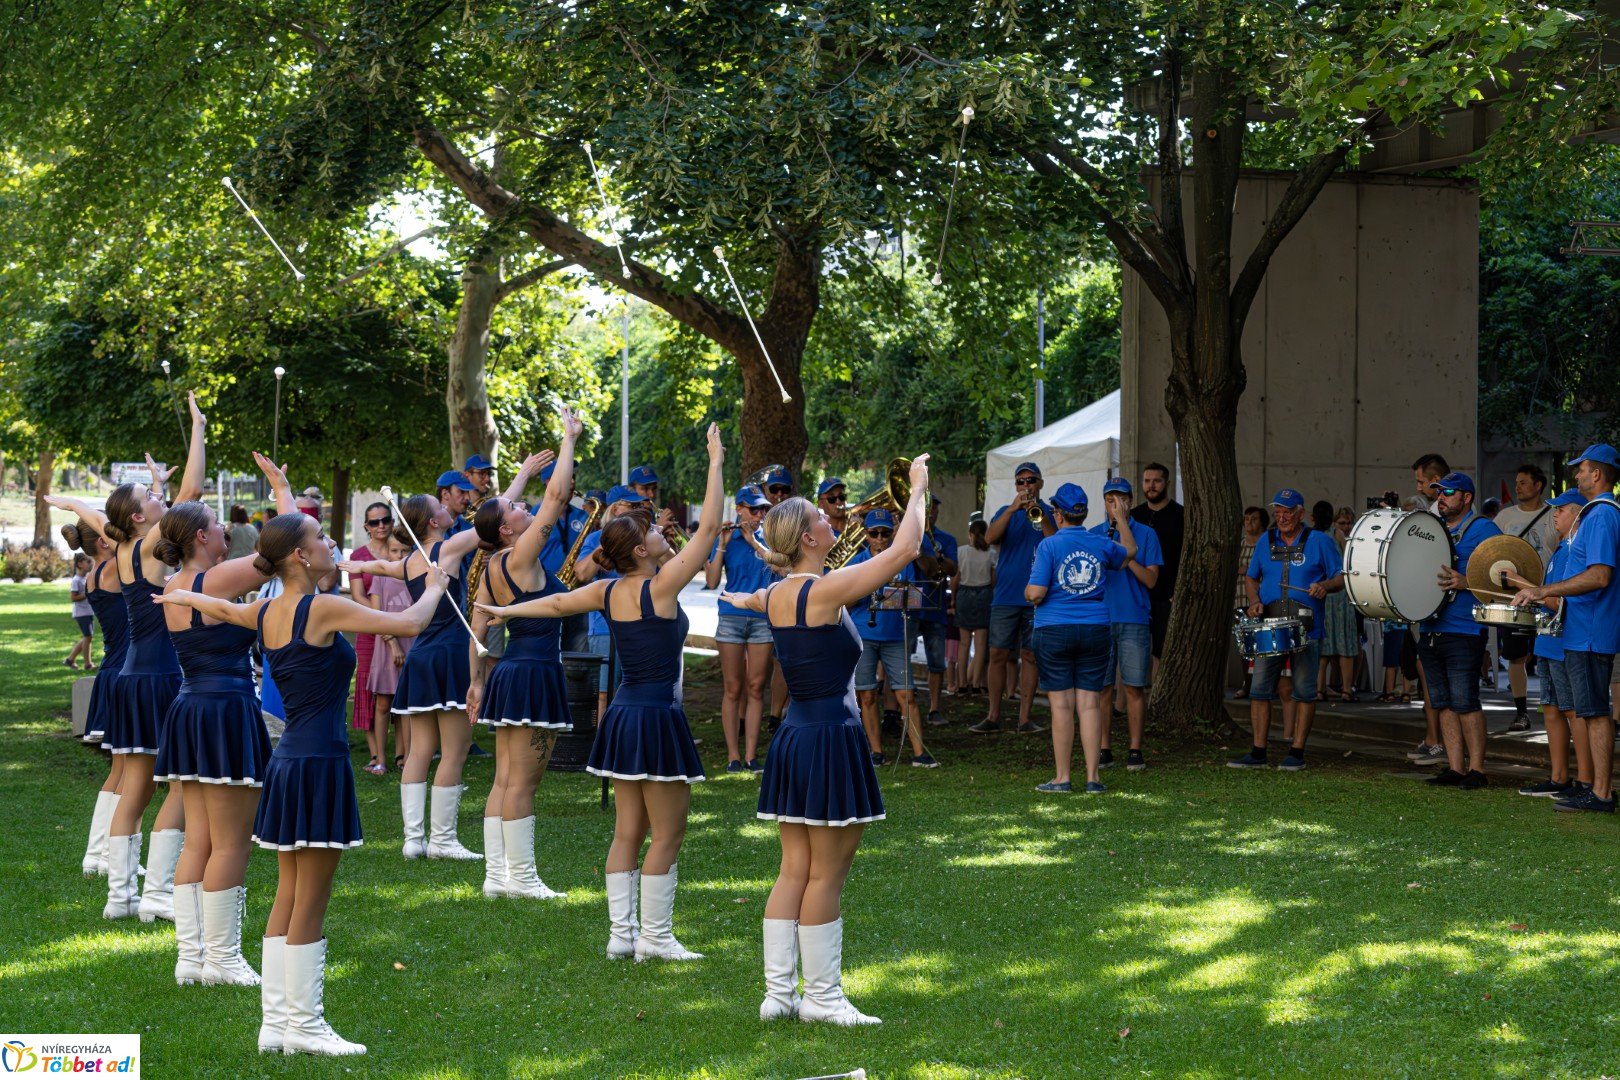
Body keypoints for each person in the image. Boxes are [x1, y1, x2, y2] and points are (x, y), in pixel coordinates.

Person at [156, 513, 451, 1056]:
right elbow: (409, 624)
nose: (329, 542)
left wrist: (189, 601)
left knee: (288, 895)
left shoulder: (267, 610)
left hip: (289, 762)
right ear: (300, 556)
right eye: (320, 538)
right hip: (318, 763)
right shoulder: (322, 608)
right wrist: (434, 586)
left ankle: (277, 1024)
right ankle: (305, 1025)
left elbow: (228, 610)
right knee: (309, 900)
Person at [478, 424, 726, 963]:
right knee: (667, 833)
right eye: (653, 530)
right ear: (640, 549)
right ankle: (655, 939)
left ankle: (622, 935)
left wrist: (504, 611)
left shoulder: (606, 590)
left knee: (627, 831)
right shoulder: (659, 585)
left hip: (622, 717)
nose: (663, 531)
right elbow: (708, 529)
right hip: (656, 715)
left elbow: (553, 606)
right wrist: (714, 462)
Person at [720, 455, 931, 1027]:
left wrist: (746, 591)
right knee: (824, 875)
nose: (830, 517)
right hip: (829, 738)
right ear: (812, 535)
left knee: (794, 870)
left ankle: (779, 995)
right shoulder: (822, 590)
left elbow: (753, 597)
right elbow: (905, 550)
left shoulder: (778, 593)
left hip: (795, 738)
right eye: (822, 513)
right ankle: (823, 998)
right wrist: (915, 491)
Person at [48, 392, 207, 922]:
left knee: (135, 787)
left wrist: (74, 506)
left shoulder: (121, 547)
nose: (162, 502)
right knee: (176, 784)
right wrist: (198, 428)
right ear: (141, 517)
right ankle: (154, 893)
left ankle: (123, 896)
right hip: (158, 672)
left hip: (137, 670)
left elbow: (104, 515)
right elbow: (191, 491)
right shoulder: (143, 543)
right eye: (151, 498)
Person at [151, 453, 291, 987]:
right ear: (204, 539)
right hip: (224, 709)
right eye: (214, 526)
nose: (222, 531)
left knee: (201, 841)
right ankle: (222, 960)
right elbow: (278, 550)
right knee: (230, 842)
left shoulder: (182, 582)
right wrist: (280, 490)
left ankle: (194, 958)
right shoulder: (208, 580)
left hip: (191, 711)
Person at [464, 408, 583, 901]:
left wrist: (475, 681)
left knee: (503, 779)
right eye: (513, 510)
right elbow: (556, 497)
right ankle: (524, 879)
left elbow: (477, 624)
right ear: (509, 530)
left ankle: (497, 877)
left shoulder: (492, 563)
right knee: (523, 784)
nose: (523, 508)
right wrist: (569, 438)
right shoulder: (519, 556)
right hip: (532, 671)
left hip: (510, 671)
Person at [361, 493, 487, 859]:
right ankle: (443, 841)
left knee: (419, 750)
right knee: (456, 749)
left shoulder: (411, 560)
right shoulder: (446, 550)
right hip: (448, 655)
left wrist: (356, 567)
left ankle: (413, 840)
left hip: (420, 657)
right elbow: (490, 522)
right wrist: (522, 477)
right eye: (441, 507)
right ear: (433, 522)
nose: (449, 509)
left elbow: (384, 568)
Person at [1513, 444, 1620, 812]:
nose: (1576, 475)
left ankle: (1601, 792)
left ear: (1597, 474)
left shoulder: (1602, 515)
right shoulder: (1595, 515)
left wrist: (1544, 590)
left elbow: (1600, 575)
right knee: (1589, 713)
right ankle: (1596, 788)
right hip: (1582, 632)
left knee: (1594, 713)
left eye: (1581, 469)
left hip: (1591, 632)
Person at [1027, 484, 1135, 794]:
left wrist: (1028, 591)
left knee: (1061, 705)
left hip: (1054, 630)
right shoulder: (1100, 543)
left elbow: (1036, 593)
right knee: (1089, 704)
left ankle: (1062, 778)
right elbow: (1129, 554)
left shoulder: (1048, 546)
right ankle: (1093, 778)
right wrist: (1121, 519)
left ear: (1057, 515)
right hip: (1095, 629)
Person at [1230, 487, 1345, 772]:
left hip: (1307, 627)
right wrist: (1255, 602)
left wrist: (1324, 586)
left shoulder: (1319, 541)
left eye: (1287, 512)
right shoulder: (1265, 541)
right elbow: (1252, 579)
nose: (1281, 517)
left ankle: (1297, 751)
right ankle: (1258, 751)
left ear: (1300, 513)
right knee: (1259, 690)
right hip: (1270, 625)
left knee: (1304, 692)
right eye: (1278, 512)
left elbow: (1341, 577)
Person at [1417, 471, 1502, 789]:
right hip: (1429, 627)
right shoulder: (1430, 528)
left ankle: (1477, 770)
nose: (1441, 497)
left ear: (1467, 497)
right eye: (1438, 492)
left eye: (1448, 492)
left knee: (1465, 701)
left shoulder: (1483, 529)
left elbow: (1504, 577)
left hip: (1465, 629)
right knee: (1442, 703)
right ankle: (1455, 768)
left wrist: (1466, 582)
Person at [846, 508, 935, 767]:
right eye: (874, 533)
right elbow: (844, 601)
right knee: (867, 695)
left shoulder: (902, 562)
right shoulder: (857, 561)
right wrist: (865, 589)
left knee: (907, 694)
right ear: (866, 535)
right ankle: (876, 751)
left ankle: (919, 752)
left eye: (885, 533)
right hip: (863, 635)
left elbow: (914, 597)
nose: (880, 538)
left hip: (896, 635)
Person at [970, 461, 1054, 735]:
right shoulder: (1005, 513)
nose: (1026, 486)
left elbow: (1054, 541)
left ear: (1040, 483)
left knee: (1030, 656)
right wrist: (1012, 509)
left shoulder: (1050, 513)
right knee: (997, 653)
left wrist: (1038, 514)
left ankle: (1024, 718)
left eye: (1031, 480)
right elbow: (991, 538)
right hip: (1006, 596)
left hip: (1038, 596)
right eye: (1021, 481)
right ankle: (993, 715)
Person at [1517, 490, 1589, 799]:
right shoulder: (1561, 549)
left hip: (1564, 643)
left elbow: (1558, 600)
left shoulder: (1577, 550)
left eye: (1561, 509)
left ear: (1577, 514)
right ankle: (1559, 777)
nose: (1555, 514)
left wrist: (1522, 584)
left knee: (1573, 711)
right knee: (1551, 709)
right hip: (1547, 642)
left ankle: (1585, 781)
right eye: (1554, 509)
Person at [65, 523, 127, 877]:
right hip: (122, 672)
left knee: (120, 771)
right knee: (130, 776)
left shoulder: (96, 572)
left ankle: (98, 854)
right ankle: (109, 857)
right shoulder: (114, 567)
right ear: (104, 541)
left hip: (112, 669)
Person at [704, 485, 775, 772]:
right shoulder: (726, 537)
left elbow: (781, 568)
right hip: (731, 617)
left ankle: (751, 755)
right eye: (754, 509)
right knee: (733, 688)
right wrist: (721, 542)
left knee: (756, 687)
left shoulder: (768, 539)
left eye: (763, 510)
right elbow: (710, 581)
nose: (759, 515)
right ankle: (733, 756)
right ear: (740, 509)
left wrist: (754, 541)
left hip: (761, 618)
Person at [1091, 478, 1160, 772]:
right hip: (1101, 619)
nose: (1115, 505)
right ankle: (1104, 748)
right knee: (1103, 688)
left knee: (1134, 687)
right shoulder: (1094, 534)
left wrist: (1125, 550)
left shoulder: (1146, 535)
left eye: (1120, 499)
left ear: (1130, 502)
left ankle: (1135, 749)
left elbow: (1151, 580)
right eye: (1110, 500)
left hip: (1134, 618)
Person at [572, 485, 652, 719]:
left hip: (639, 626)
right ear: (616, 509)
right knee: (603, 694)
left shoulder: (645, 540)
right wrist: (609, 540)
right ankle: (602, 749)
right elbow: (583, 575)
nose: (640, 509)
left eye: (640, 505)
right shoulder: (596, 538)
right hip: (604, 628)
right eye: (633, 505)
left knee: (633, 692)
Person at [1494, 464, 1557, 731]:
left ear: (1538, 485)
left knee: (1549, 656)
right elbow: (1492, 551)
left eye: (1523, 482)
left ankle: (1555, 710)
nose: (1518, 486)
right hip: (1514, 598)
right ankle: (1521, 712)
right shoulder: (1505, 517)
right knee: (1516, 656)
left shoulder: (1555, 515)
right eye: (1516, 482)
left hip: (1549, 596)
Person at [347, 502, 393, 774]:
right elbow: (358, 595)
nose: (381, 526)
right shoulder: (358, 555)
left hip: (400, 626)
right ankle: (376, 755)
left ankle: (401, 753)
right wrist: (382, 621)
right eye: (374, 522)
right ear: (366, 526)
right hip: (369, 629)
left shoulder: (400, 549)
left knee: (396, 687)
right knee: (368, 690)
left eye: (385, 520)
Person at [365, 534, 414, 772]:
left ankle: (404, 756)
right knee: (383, 704)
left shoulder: (416, 578)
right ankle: (380, 758)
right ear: (387, 552)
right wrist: (393, 643)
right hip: (386, 647)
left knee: (406, 705)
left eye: (405, 551)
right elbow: (377, 618)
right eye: (395, 551)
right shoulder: (381, 578)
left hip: (412, 646)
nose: (400, 556)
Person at [1131, 462, 1184, 670]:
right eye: (1147, 481)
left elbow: (1186, 558)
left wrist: (1178, 591)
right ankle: (1125, 703)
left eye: (1156, 481)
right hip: (1136, 594)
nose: (1151, 486)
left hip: (1167, 596)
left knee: (1161, 653)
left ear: (1167, 483)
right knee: (1132, 651)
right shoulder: (1134, 516)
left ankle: (1156, 701)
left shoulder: (1181, 516)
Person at [911, 496, 958, 727]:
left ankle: (935, 708)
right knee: (899, 658)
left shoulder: (945, 539)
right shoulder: (906, 536)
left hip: (935, 606)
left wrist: (934, 558)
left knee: (936, 662)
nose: (930, 513)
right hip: (909, 607)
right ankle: (902, 706)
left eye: (933, 509)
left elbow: (952, 568)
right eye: (926, 509)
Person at [1314, 501, 1359, 702]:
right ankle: (1347, 689)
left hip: (1320, 593)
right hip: (1339, 594)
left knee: (1322, 647)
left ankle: (1319, 688)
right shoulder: (1336, 535)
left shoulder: (1310, 536)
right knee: (1346, 645)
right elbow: (1348, 562)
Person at [953, 518, 995, 695]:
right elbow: (994, 580)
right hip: (984, 595)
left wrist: (953, 599)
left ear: (970, 534)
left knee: (963, 644)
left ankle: (962, 684)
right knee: (980, 645)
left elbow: (955, 579)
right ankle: (977, 684)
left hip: (964, 595)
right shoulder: (991, 554)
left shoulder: (961, 552)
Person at [1233, 506, 1268, 700]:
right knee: (1245, 646)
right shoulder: (1240, 544)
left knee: (1263, 645)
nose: (1249, 523)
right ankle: (1247, 683)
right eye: (1246, 519)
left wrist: (1248, 570)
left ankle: (1263, 684)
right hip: (1240, 600)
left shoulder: (1265, 543)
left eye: (1253, 519)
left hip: (1261, 600)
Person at [65, 553, 95, 669]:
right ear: (80, 564)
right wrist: (87, 593)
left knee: (88, 637)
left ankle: (70, 659)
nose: (90, 563)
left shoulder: (87, 578)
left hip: (88, 611)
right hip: (81, 613)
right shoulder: (76, 580)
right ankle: (88, 664)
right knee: (88, 637)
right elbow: (73, 597)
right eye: (87, 561)